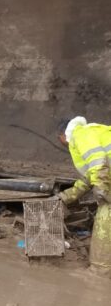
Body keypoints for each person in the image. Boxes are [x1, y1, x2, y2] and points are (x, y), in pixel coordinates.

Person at [57, 116, 111, 277]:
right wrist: (66, 196)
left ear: (62, 135)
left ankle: (99, 272)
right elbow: (88, 178)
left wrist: (102, 190)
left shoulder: (80, 135)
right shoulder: (91, 133)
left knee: (104, 224)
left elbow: (98, 163)